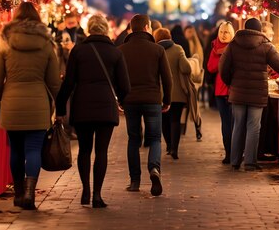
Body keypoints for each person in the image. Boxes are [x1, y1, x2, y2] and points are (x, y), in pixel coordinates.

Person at [0, 2, 60, 210]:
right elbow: (54, 81)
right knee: (33, 149)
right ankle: (30, 193)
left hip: (11, 103)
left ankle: (19, 193)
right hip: (38, 103)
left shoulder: (5, 42)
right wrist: (57, 106)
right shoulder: (47, 44)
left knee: (16, 150)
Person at [55, 15, 130, 208]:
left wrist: (61, 107)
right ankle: (97, 194)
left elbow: (69, 82)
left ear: (89, 29)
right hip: (106, 106)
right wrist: (121, 101)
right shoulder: (115, 53)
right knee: (102, 151)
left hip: (83, 106)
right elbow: (125, 85)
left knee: (85, 150)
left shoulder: (78, 51)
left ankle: (85, 190)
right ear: (105, 29)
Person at [220, 17, 279, 171]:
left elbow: (223, 68)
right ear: (259, 29)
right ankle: (250, 162)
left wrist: (231, 83)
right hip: (257, 92)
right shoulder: (266, 46)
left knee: (238, 125)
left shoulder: (233, 45)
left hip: (237, 92)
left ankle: (234, 161)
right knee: (254, 126)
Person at [118, 14, 173, 196]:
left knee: (133, 139)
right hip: (152, 100)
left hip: (130, 101)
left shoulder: (122, 50)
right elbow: (167, 79)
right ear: (148, 28)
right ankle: (154, 169)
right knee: (155, 138)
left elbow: (115, 78)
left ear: (131, 29)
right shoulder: (157, 50)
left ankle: (134, 181)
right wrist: (167, 101)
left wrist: (120, 99)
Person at [153, 28, 191, 160]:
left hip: (159, 93)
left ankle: (168, 145)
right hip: (177, 92)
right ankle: (175, 149)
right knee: (175, 120)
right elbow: (186, 68)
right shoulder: (178, 49)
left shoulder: (154, 50)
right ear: (169, 36)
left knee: (164, 120)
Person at [206, 21, 235, 164]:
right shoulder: (214, 47)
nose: (224, 35)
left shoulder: (235, 47)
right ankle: (229, 153)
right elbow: (210, 67)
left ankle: (235, 153)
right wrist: (221, 59)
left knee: (235, 123)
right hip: (220, 91)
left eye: (227, 32)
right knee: (226, 123)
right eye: (222, 32)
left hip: (233, 90)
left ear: (232, 34)